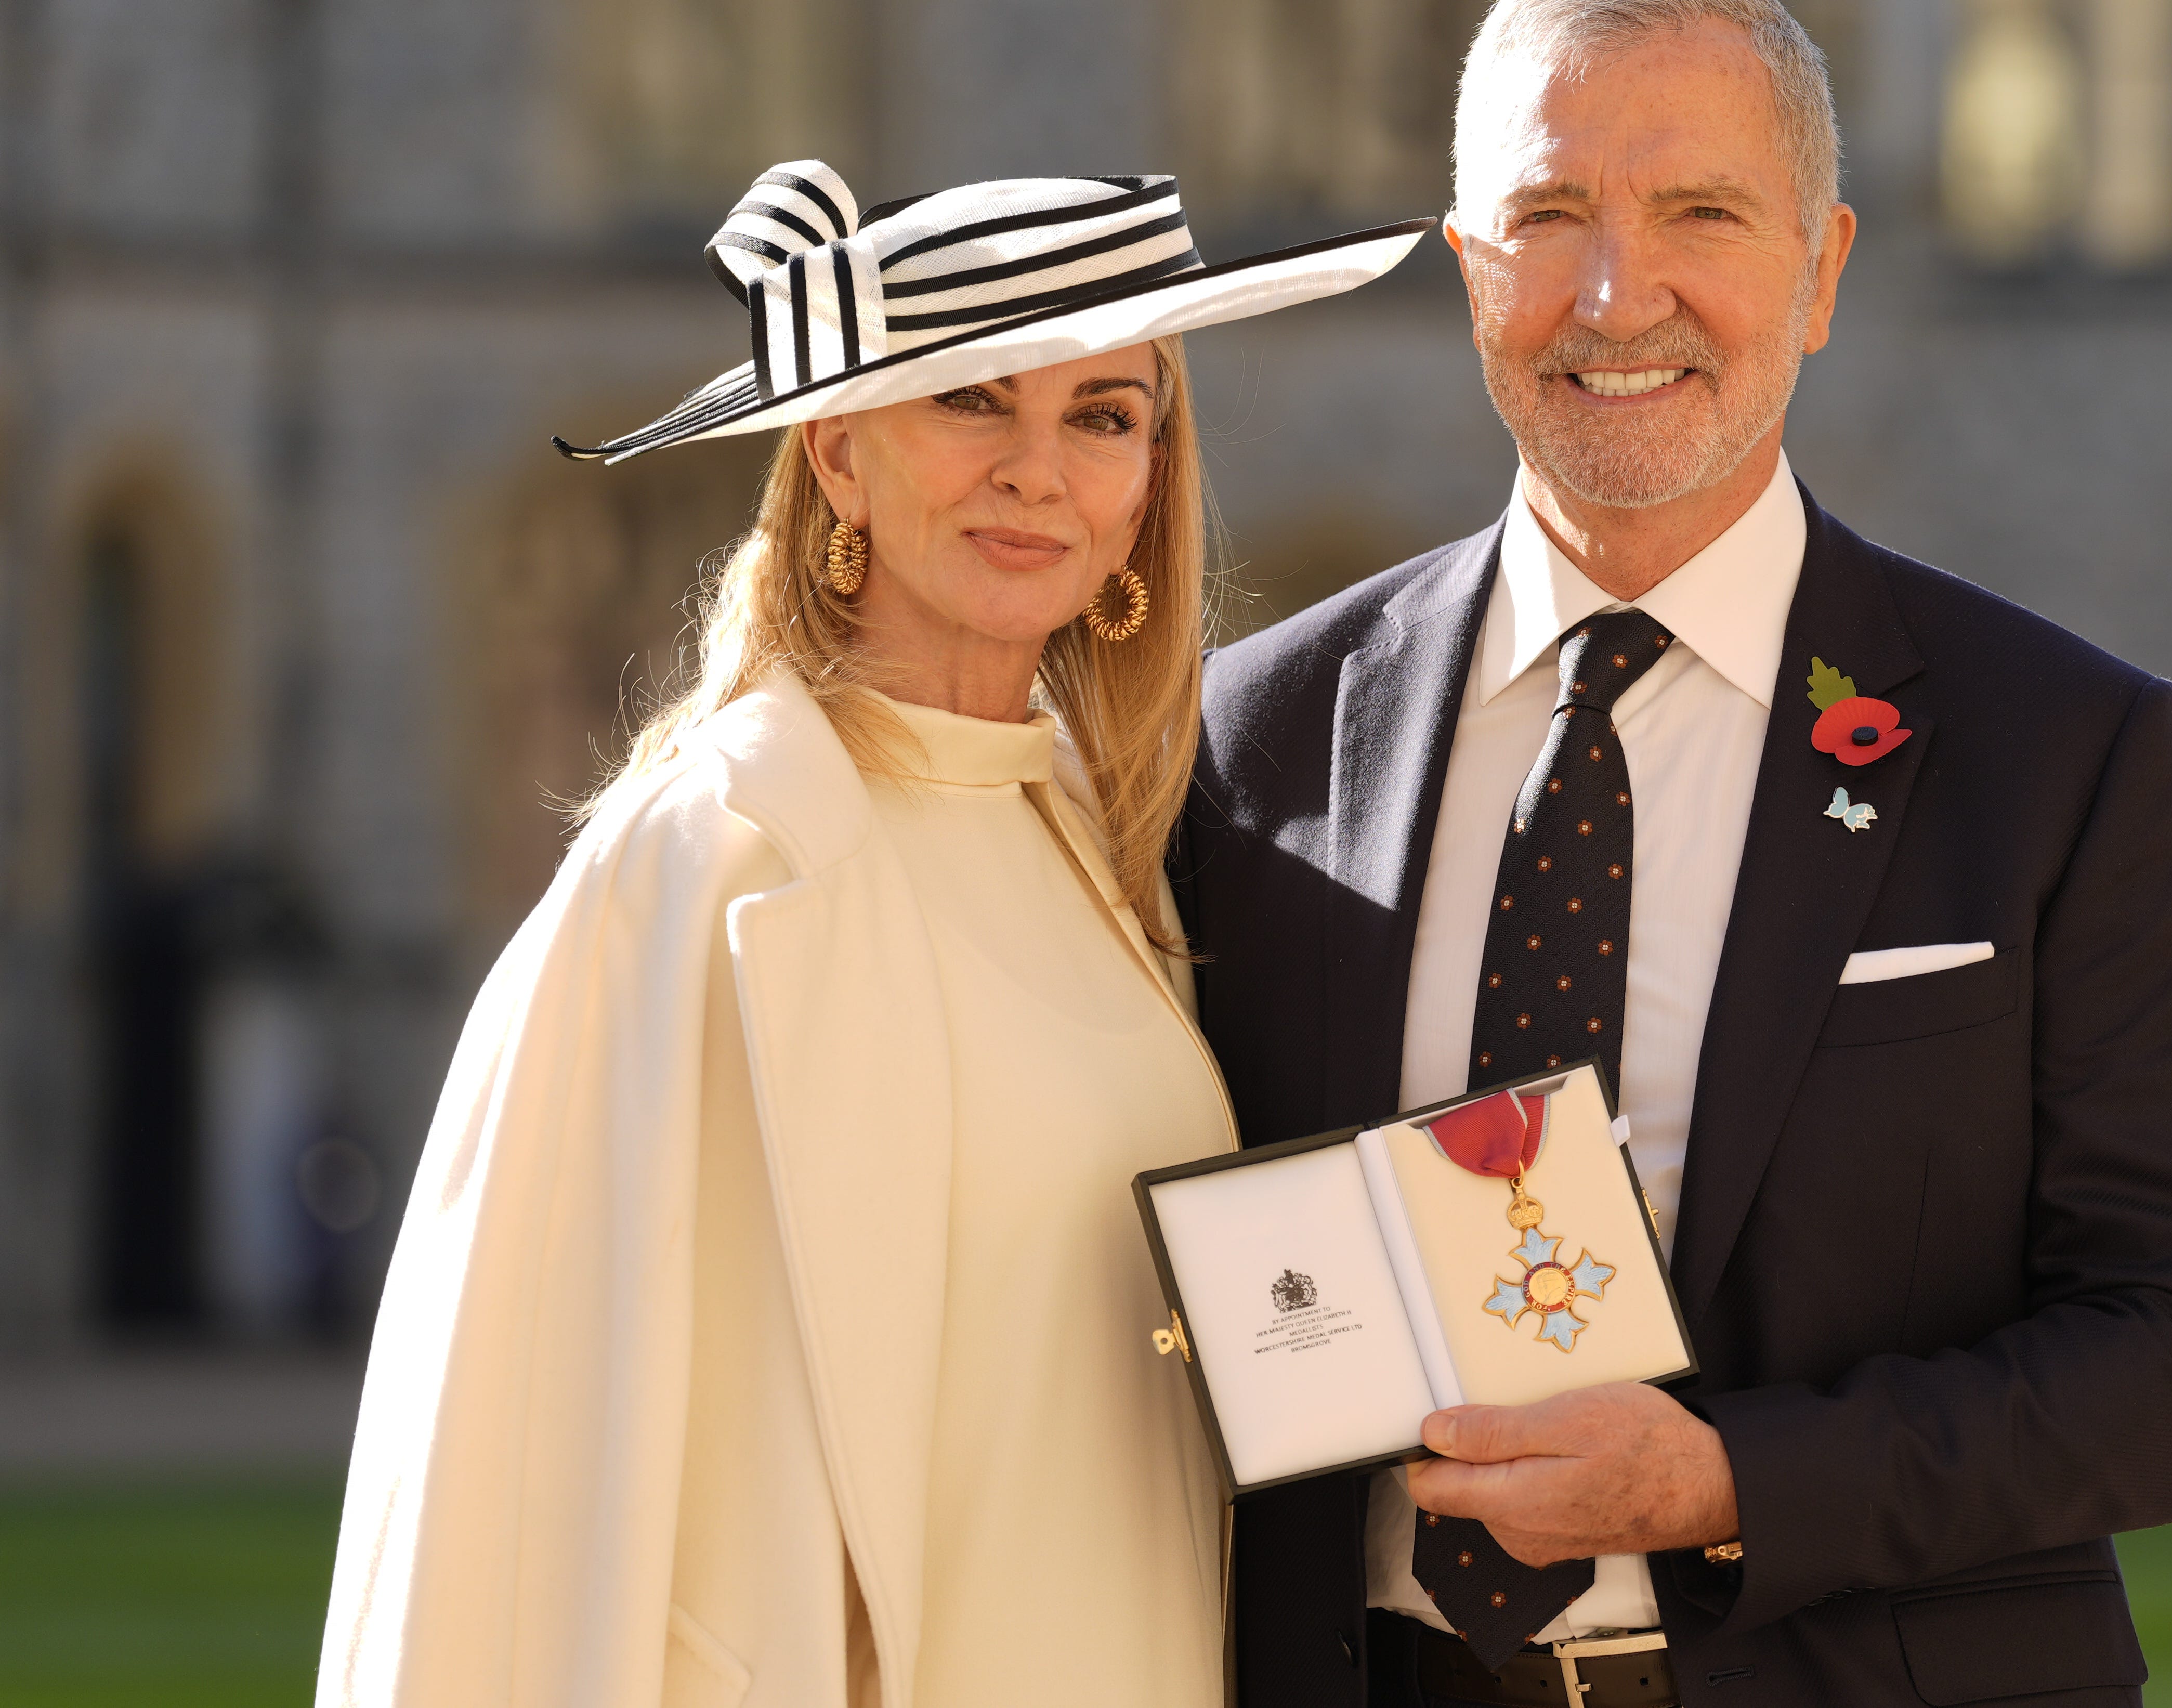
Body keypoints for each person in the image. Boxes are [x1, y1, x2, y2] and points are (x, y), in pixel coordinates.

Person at [1175, 0, 2172, 1708]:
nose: (1620, 299)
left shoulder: (2064, 754)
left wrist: (1722, 1483)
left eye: (1701, 210)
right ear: (1469, 274)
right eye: (1549, 215)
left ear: (1824, 266)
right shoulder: (1254, 739)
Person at [316, 165, 1429, 1707]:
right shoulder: (708, 857)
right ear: (837, 453)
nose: (1040, 472)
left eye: (1103, 417)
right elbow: (521, 1457)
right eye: (972, 403)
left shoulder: (1103, 855)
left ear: (1149, 480)